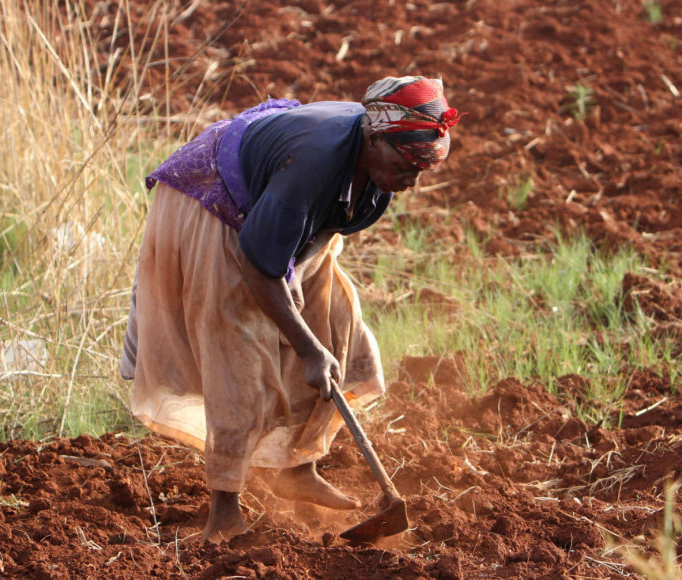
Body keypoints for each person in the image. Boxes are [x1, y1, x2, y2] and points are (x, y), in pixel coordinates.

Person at [119, 76, 461, 543]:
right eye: (407, 164)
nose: (412, 180)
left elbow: (305, 236)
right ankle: (223, 511)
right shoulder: (314, 164)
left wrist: (309, 329)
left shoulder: (377, 175)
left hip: (280, 216)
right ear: (375, 137)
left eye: (423, 170)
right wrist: (305, 348)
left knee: (336, 324)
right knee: (241, 348)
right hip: (217, 201)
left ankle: (296, 467)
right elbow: (259, 265)